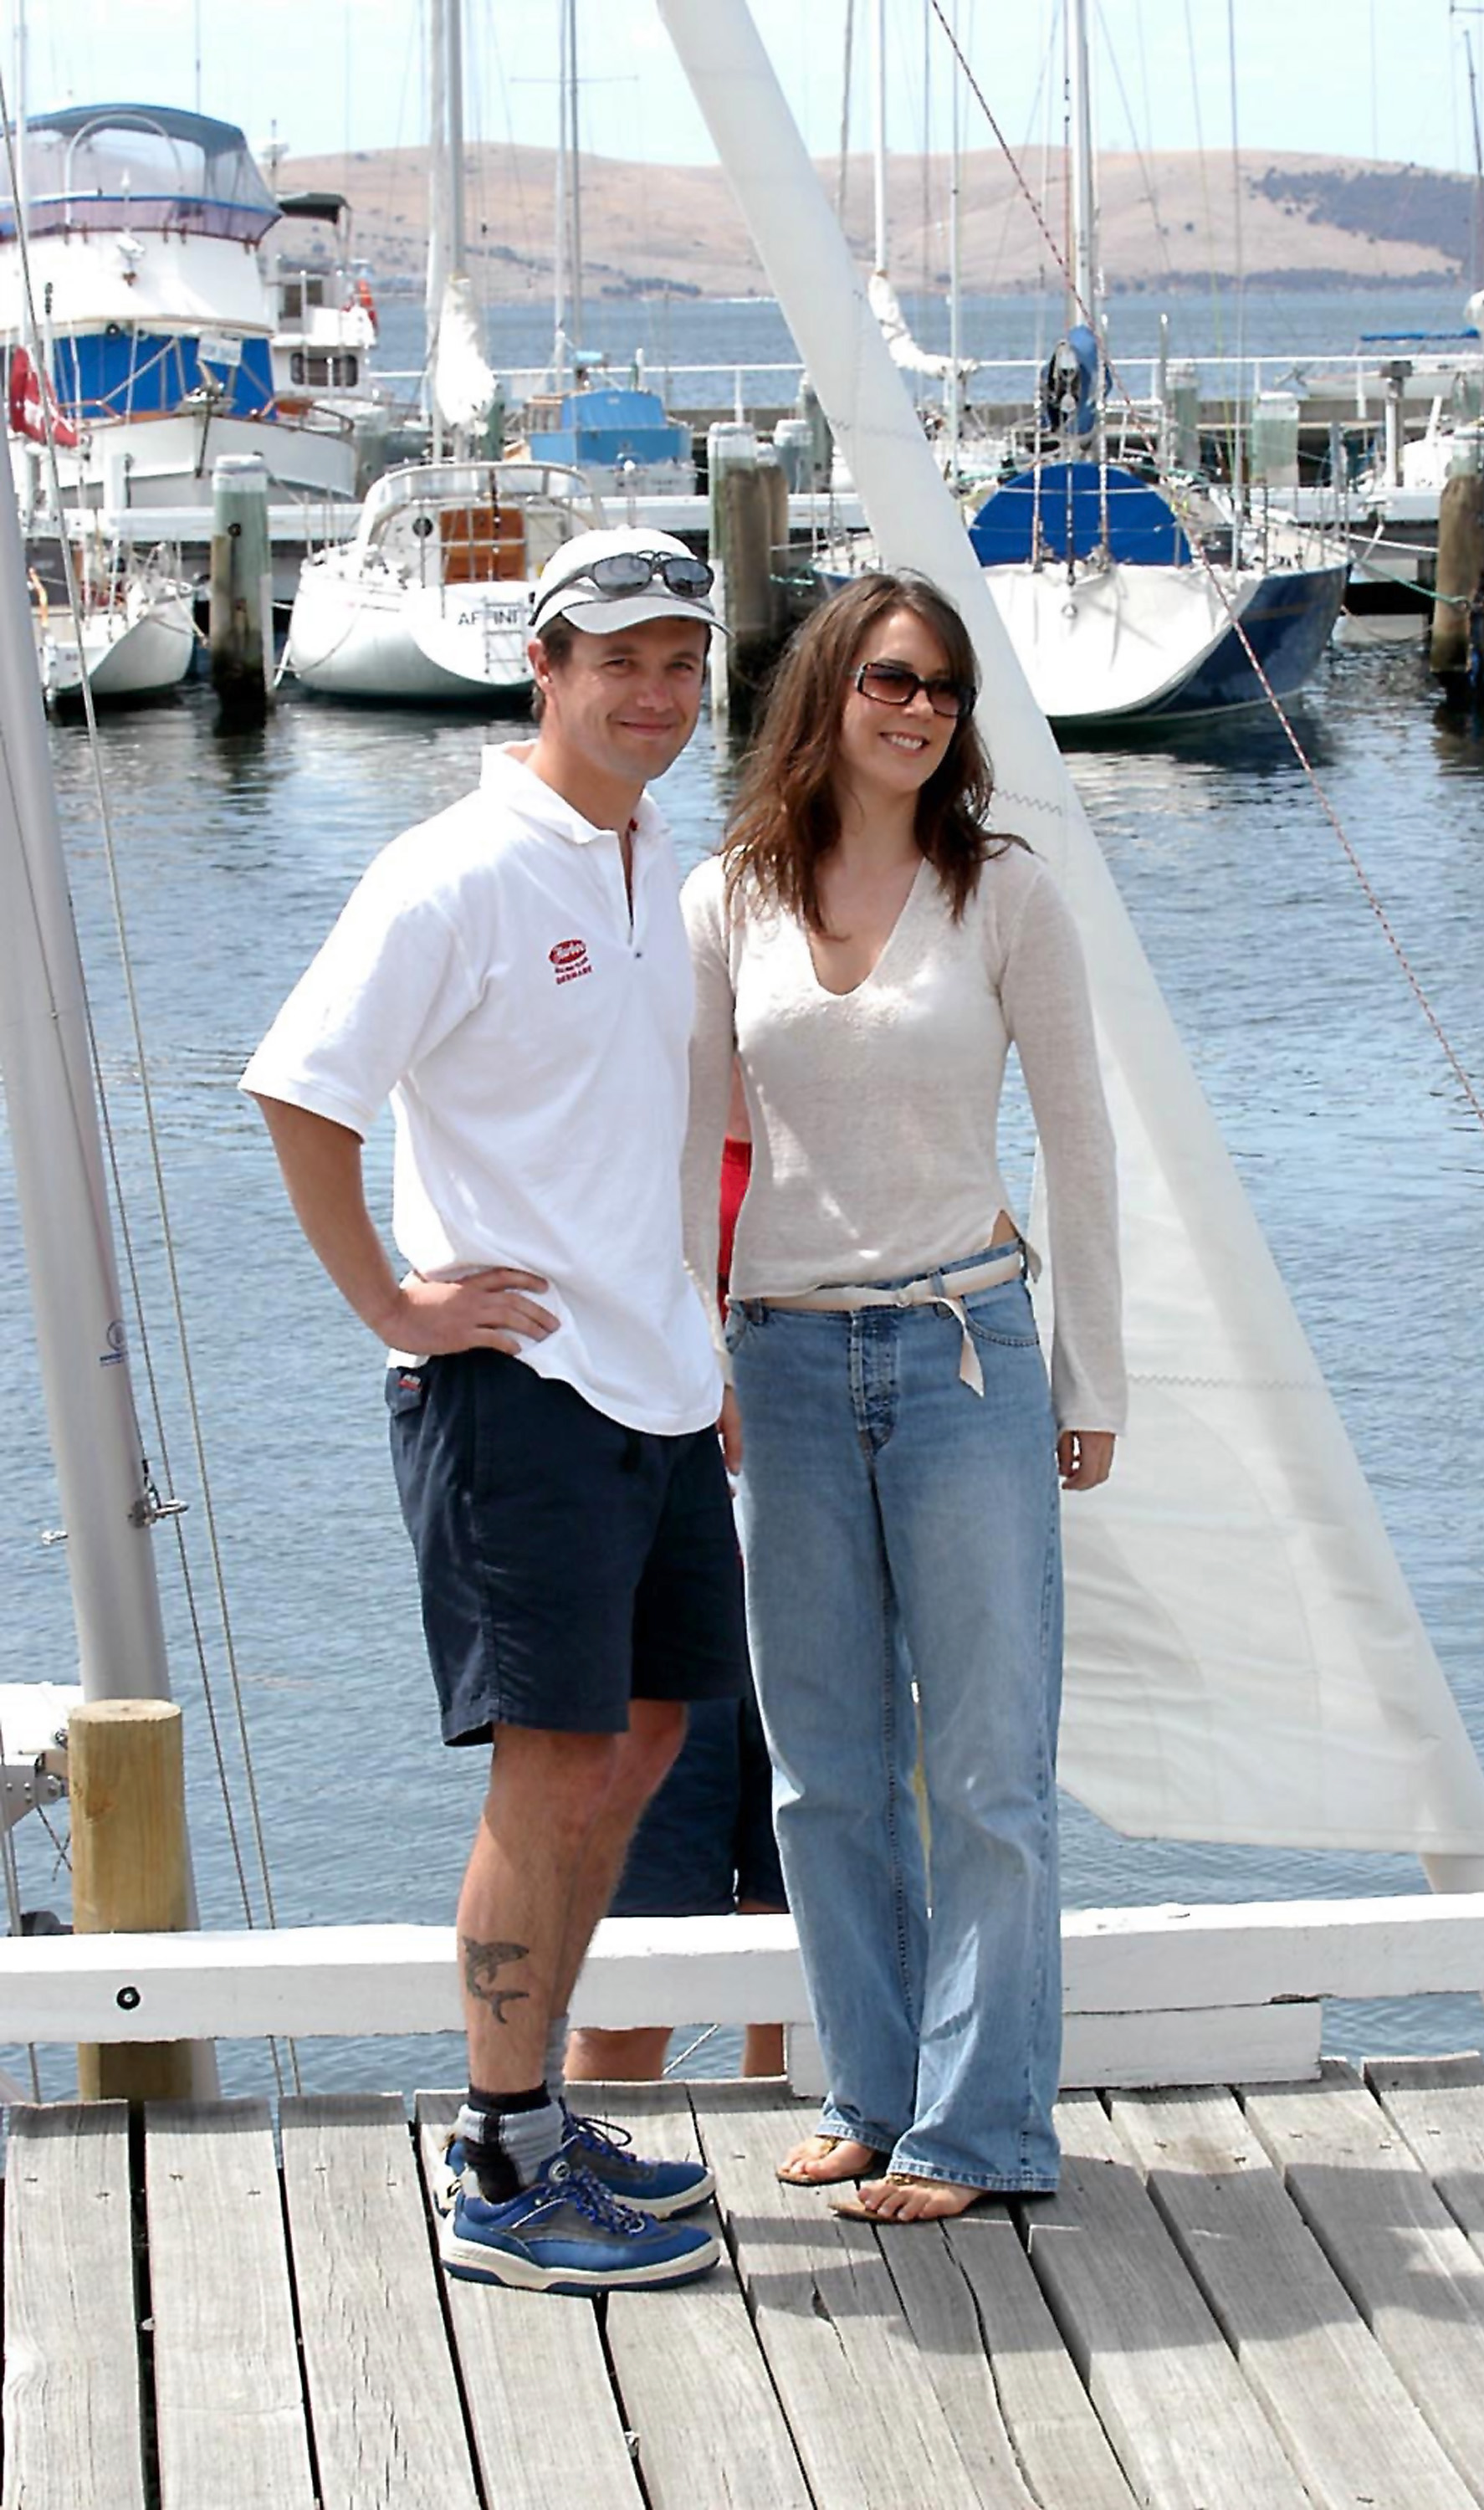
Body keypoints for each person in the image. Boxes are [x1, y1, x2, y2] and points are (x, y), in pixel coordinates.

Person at [241, 525, 747, 2295]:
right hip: (515, 1393)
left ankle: (533, 2116)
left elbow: (653, 1140)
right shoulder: (450, 872)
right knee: (548, 1778)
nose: (654, 693)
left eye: (682, 663)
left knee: (650, 1745)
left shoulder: (655, 857)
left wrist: (706, 1342)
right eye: (617, 659)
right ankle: (500, 2170)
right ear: (542, 668)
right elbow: (304, 1092)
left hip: (661, 1384)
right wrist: (391, 1299)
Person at [682, 571, 1125, 2223]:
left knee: (991, 1768)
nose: (919, 706)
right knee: (822, 1766)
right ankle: (870, 2091)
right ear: (831, 692)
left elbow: (1081, 1154)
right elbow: (694, 1152)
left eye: (942, 685)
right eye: (889, 676)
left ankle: (982, 2129)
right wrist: (695, 1348)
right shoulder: (731, 894)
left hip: (964, 1357)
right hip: (782, 1364)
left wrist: (1093, 1378)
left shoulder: (1004, 894)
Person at [566, 1070, 789, 2087]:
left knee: (798, 1915)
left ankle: (784, 2113)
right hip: (669, 1602)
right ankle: (584, 2145)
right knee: (643, 1939)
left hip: (818, 1596)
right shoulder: (639, 1135)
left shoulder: (859, 1125)